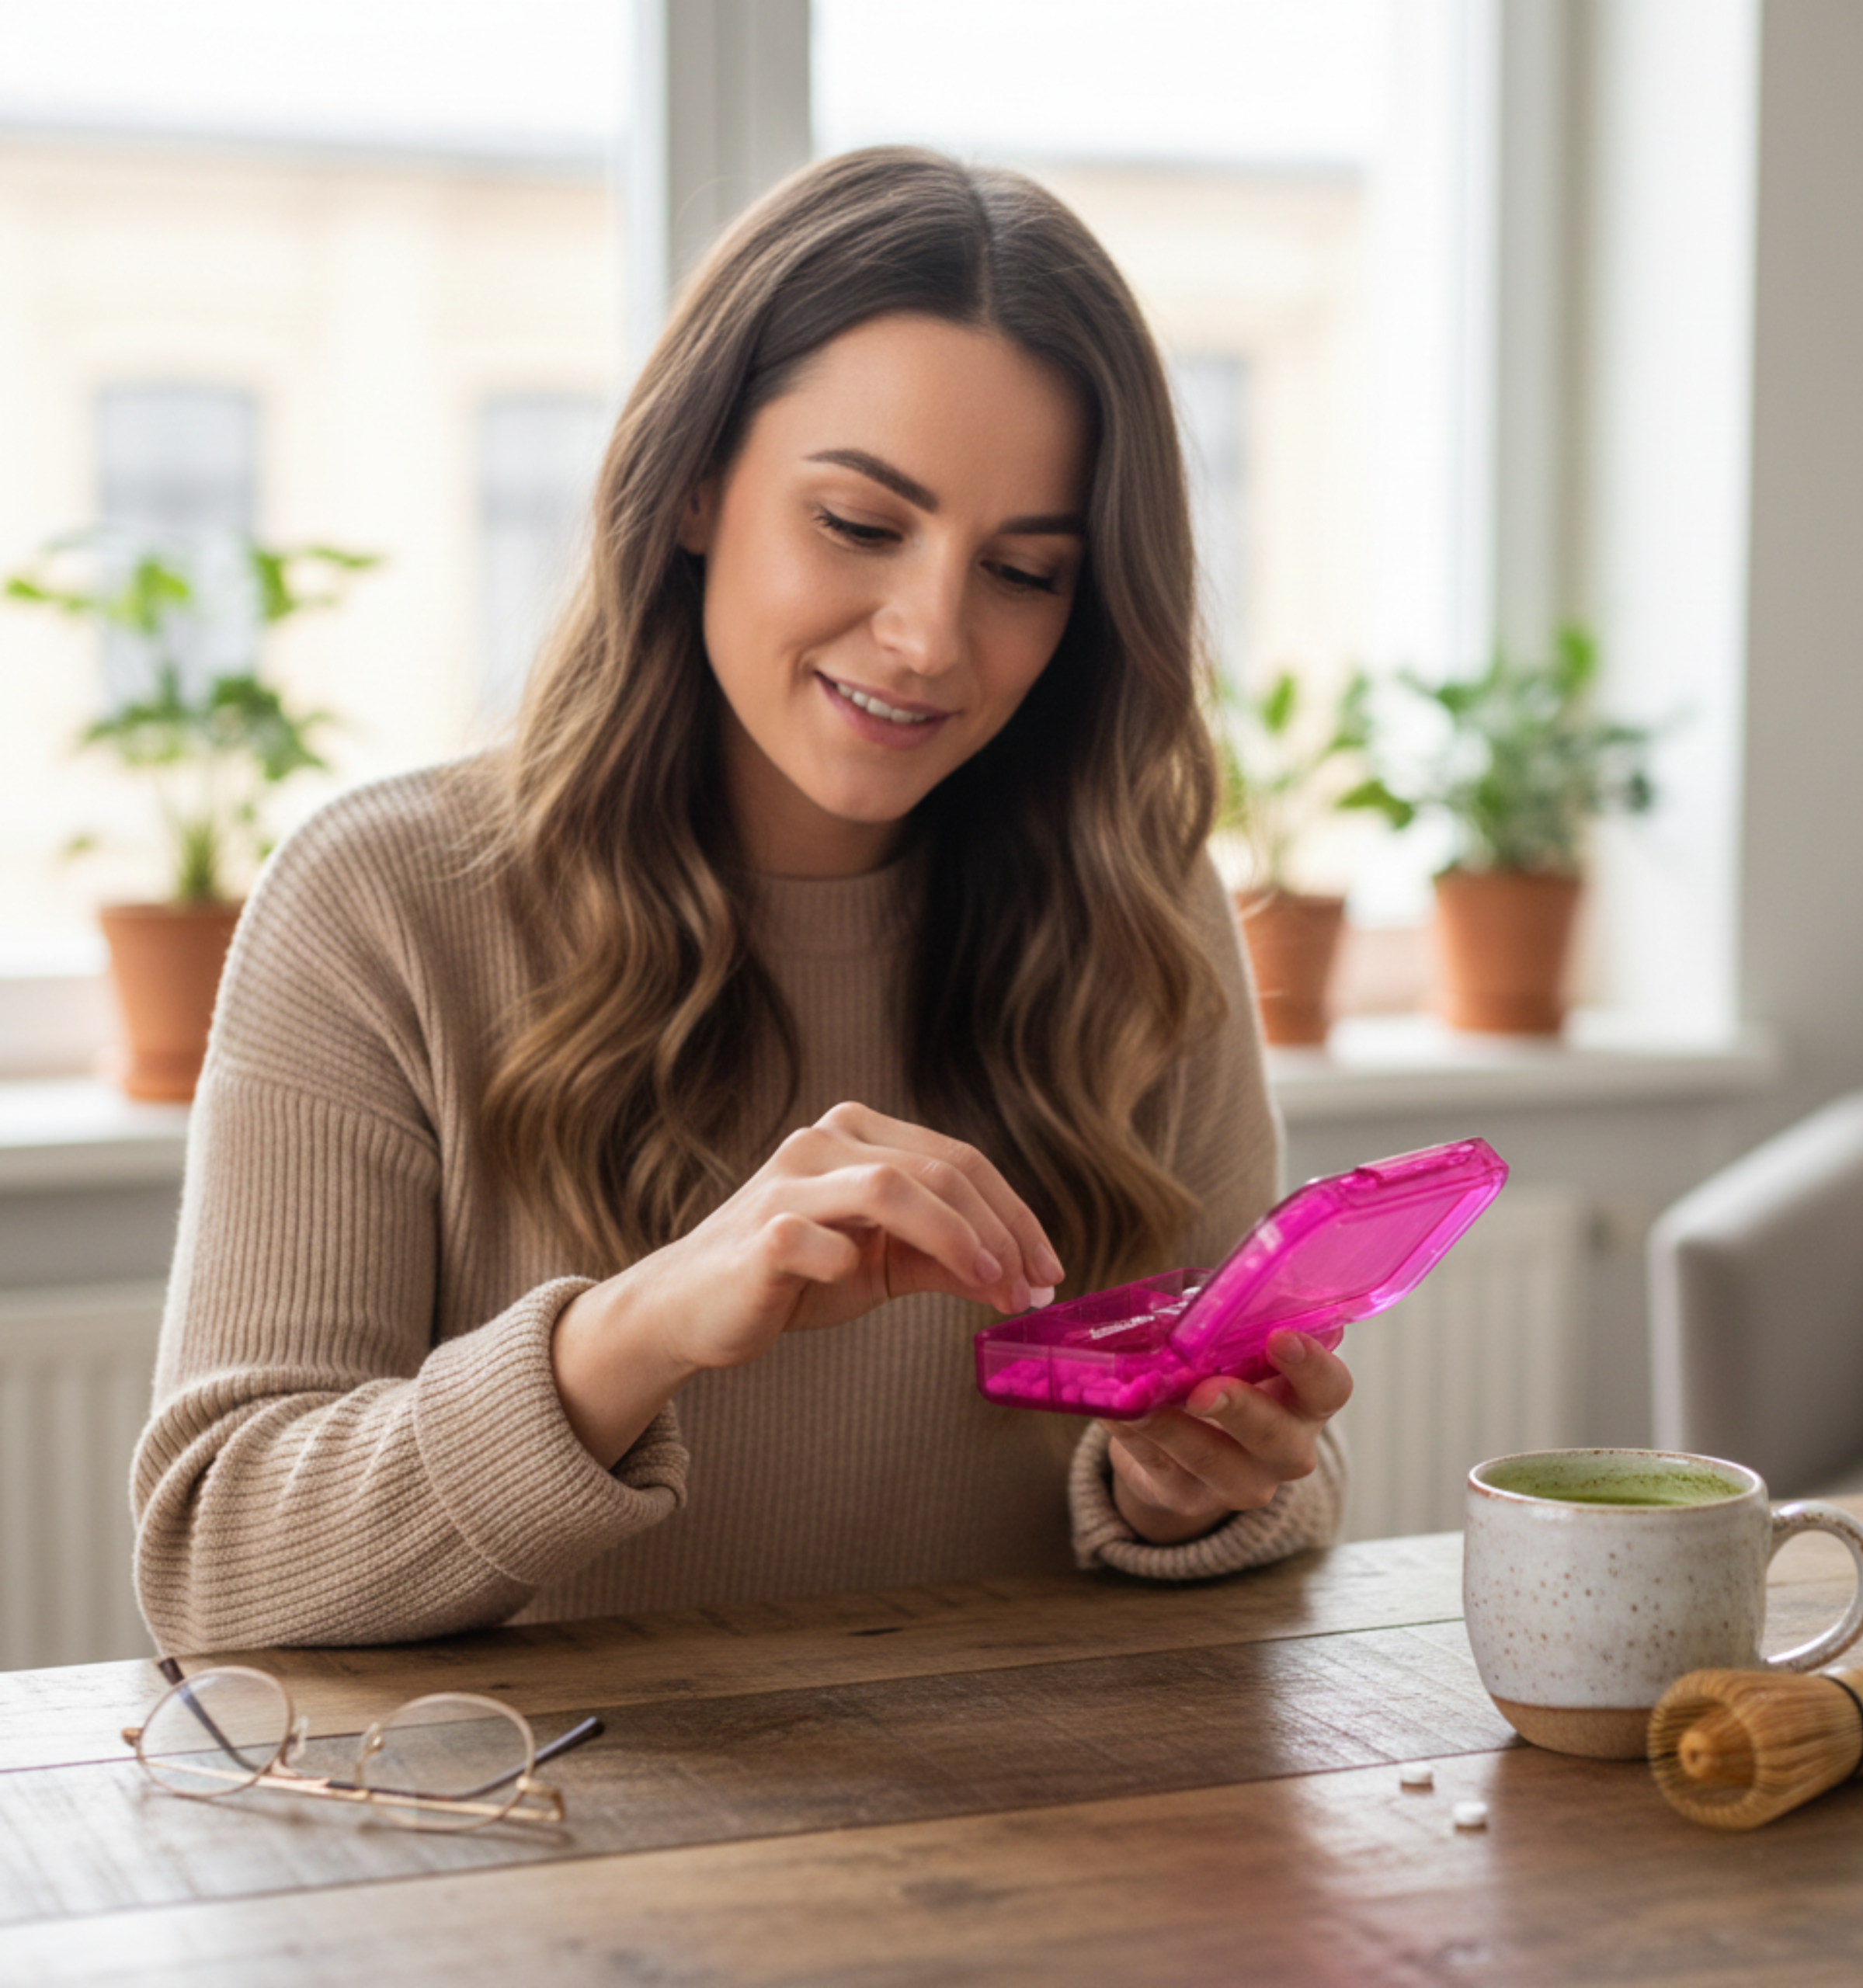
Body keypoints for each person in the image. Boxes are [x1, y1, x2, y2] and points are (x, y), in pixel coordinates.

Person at [133, 148, 1351, 1652]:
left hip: (1018, 1839)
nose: (925, 638)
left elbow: (1247, 1494)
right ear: (695, 482)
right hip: (528, 1844)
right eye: (856, 524)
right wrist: (630, 1333)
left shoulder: (1135, 900)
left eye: (1023, 571)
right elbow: (214, 1556)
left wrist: (1185, 1490)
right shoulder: (386, 902)